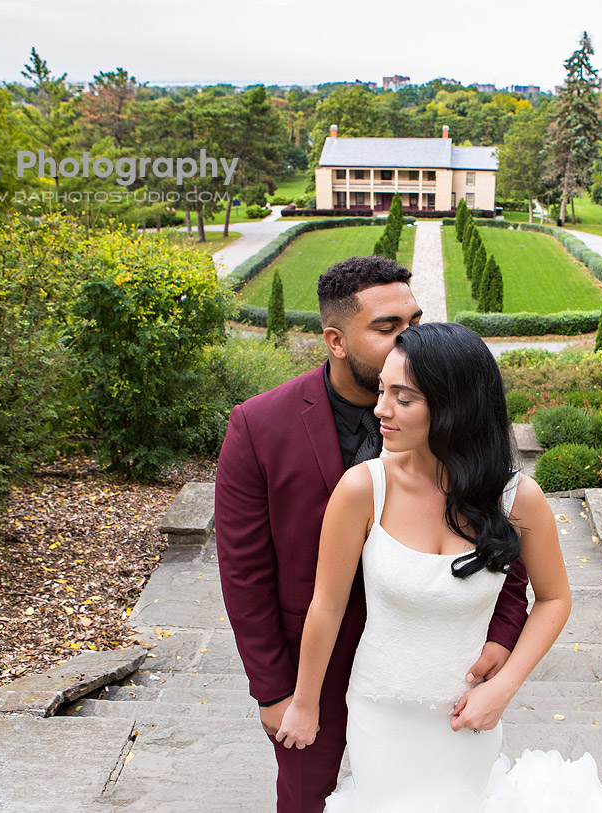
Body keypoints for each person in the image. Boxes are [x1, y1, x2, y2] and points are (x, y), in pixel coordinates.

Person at [275, 322, 602, 812]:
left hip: (468, 716)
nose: (381, 409)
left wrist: (502, 690)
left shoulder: (517, 498)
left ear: (454, 405)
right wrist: (305, 700)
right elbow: (327, 606)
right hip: (380, 712)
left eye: (404, 397)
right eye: (382, 390)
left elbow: (554, 598)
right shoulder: (363, 488)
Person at [215, 257, 530, 813]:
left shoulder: (454, 426)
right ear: (336, 340)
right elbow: (244, 572)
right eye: (388, 329)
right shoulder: (258, 427)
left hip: (432, 676)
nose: (411, 339)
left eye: (416, 320)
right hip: (310, 669)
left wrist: (503, 635)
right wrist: (274, 689)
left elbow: (504, 537)